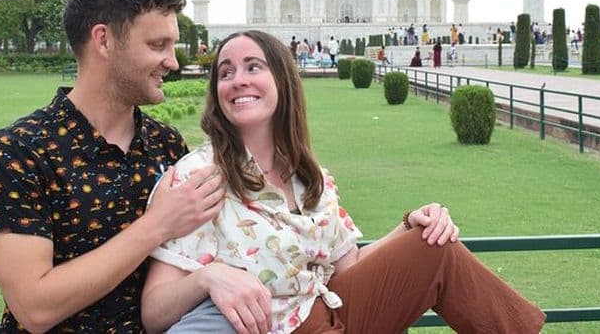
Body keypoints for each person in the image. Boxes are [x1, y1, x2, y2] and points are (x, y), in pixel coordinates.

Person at [141, 30, 545, 334]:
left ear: (282, 80)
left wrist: (409, 228)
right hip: (282, 329)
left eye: (253, 66)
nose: (238, 80)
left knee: (434, 245)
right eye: (225, 72)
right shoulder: (200, 176)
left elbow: (346, 266)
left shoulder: (309, 177)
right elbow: (154, 311)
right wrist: (208, 277)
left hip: (338, 313)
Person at [0, 0, 228, 332]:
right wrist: (157, 224)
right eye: (157, 45)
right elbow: (35, 309)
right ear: (103, 40)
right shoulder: (18, 154)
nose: (173, 62)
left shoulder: (166, 146)